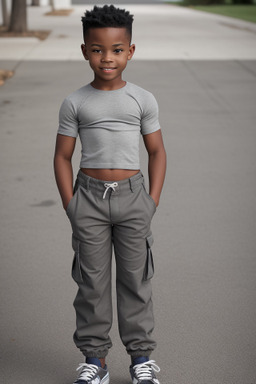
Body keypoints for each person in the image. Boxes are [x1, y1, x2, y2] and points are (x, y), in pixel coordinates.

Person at [54, 5, 166, 384]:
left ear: (130, 51)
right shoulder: (75, 102)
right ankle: (95, 361)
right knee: (91, 283)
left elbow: (156, 152)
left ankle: (140, 361)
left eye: (117, 49)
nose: (107, 58)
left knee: (136, 281)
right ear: (84, 50)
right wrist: (71, 204)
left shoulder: (142, 99)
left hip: (134, 199)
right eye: (98, 49)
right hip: (88, 199)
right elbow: (63, 155)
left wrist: (151, 200)